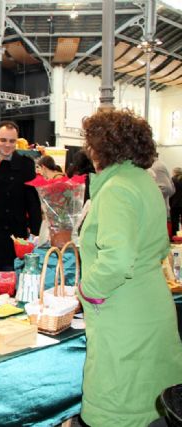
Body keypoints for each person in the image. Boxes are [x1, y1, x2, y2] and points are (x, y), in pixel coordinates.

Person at [78, 109, 182, 426]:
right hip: (152, 306)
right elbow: (159, 247)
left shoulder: (117, 189)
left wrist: (87, 290)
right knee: (152, 404)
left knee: (120, 406)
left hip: (123, 316)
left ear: (103, 146)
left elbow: (117, 258)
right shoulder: (144, 183)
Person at [0, 120, 41, 271]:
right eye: (3, 140)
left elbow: (33, 202)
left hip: (16, 240)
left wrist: (35, 234)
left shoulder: (26, 165)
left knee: (14, 281)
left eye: (12, 141)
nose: (7, 145)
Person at [171, 167, 182, 237]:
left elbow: (170, 191)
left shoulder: (172, 180)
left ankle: (175, 236)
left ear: (174, 172)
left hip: (175, 204)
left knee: (175, 221)